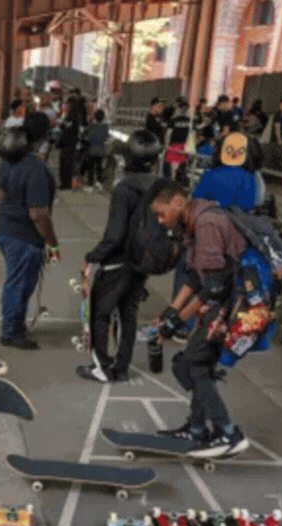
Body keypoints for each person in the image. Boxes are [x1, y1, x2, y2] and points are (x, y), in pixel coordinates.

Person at [149, 182, 252, 457]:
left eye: (162, 214)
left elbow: (214, 287)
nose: (161, 220)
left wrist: (177, 322)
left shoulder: (207, 224)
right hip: (222, 300)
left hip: (233, 304)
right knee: (199, 363)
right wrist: (171, 311)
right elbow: (196, 276)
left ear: (179, 203)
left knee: (193, 361)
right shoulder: (192, 225)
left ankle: (228, 433)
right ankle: (196, 429)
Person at [77, 130, 162, 383]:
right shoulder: (157, 187)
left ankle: (102, 366)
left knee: (100, 313)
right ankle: (121, 366)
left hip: (118, 261)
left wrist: (94, 256)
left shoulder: (124, 189)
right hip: (142, 261)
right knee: (128, 313)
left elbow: (115, 234)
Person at [0, 122, 57, 350]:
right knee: (19, 285)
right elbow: (38, 213)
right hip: (24, 237)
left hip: (5, 230)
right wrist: (53, 244)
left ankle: (13, 325)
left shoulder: (6, 164)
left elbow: (2, 197)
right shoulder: (36, 169)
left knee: (15, 281)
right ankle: (11, 332)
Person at [57, 95, 87, 190]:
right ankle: (64, 183)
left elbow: (66, 128)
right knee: (63, 164)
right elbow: (62, 127)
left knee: (67, 165)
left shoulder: (74, 118)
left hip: (70, 144)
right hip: (66, 144)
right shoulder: (69, 117)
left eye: (67, 104)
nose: (65, 106)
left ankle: (66, 184)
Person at [79, 109, 110, 191]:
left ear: (95, 117)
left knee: (91, 167)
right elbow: (106, 137)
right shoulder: (106, 127)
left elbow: (85, 135)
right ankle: (99, 181)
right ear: (103, 117)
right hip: (101, 149)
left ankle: (90, 183)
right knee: (99, 166)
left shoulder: (92, 126)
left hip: (92, 149)